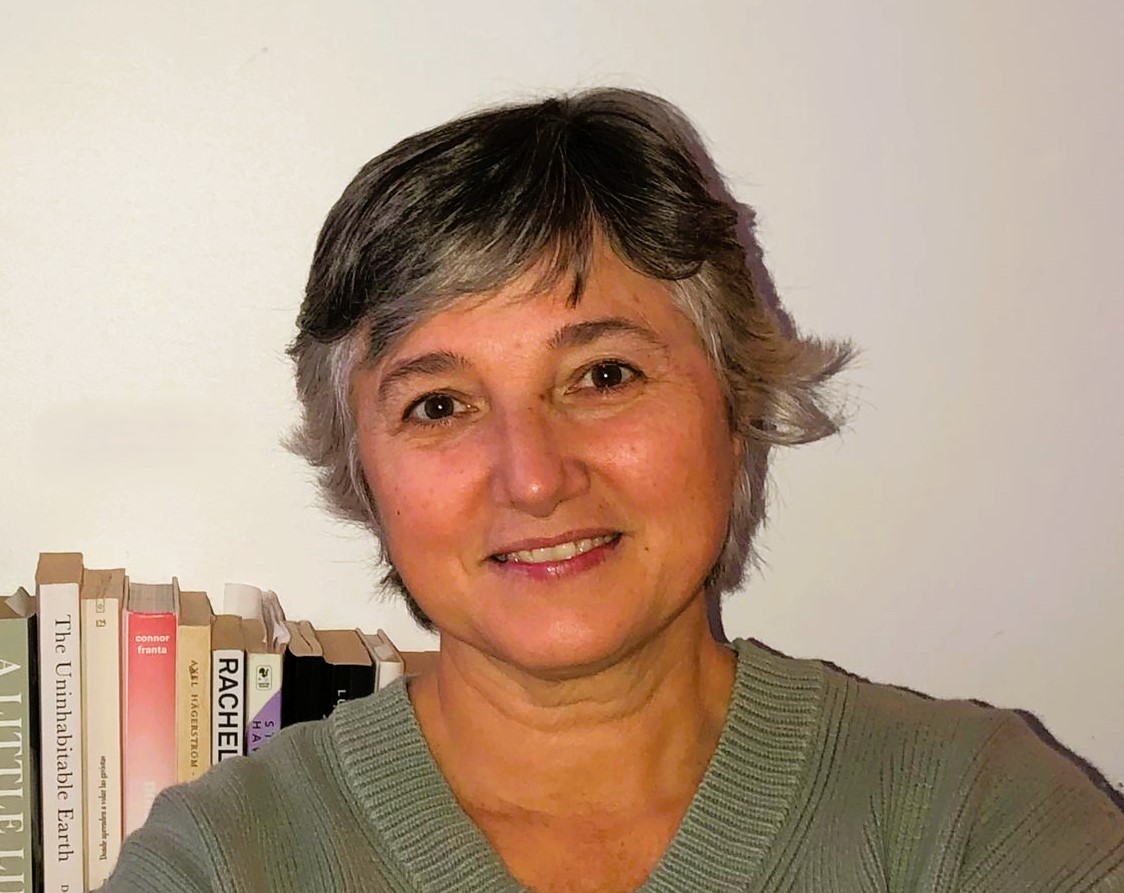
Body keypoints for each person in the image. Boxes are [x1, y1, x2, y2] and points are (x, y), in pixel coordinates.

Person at [99, 88, 1124, 893]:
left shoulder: (975, 820)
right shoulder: (223, 863)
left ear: (733, 401)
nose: (535, 475)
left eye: (603, 375)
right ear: (362, 470)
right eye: (439, 404)